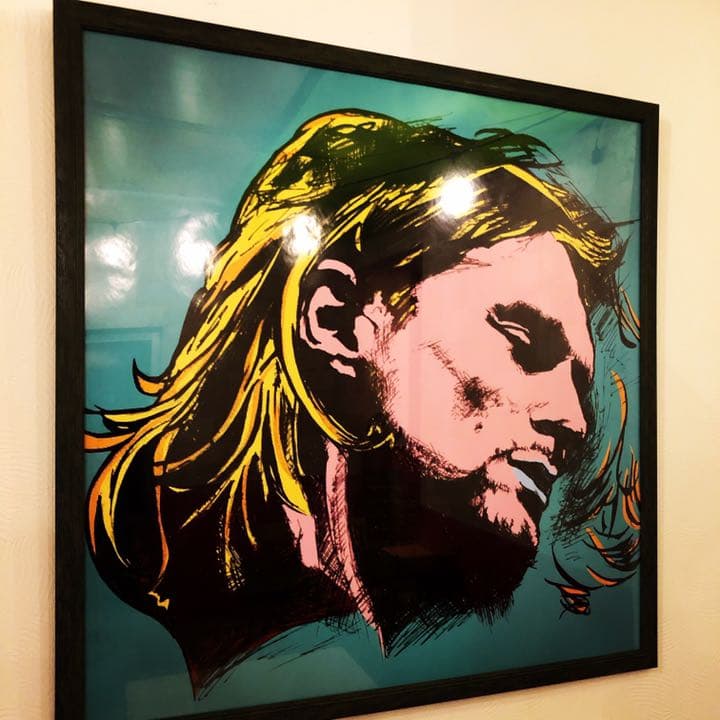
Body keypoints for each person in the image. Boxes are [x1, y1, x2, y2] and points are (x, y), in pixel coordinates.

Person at [86, 109, 636, 693]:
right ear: (337, 320)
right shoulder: (174, 614)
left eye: (579, 383)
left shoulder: (378, 627)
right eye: (524, 342)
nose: (575, 421)